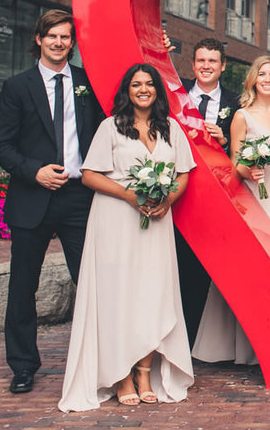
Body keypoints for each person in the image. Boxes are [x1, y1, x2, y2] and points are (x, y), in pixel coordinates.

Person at [57, 63, 195, 411]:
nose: (144, 89)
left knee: (152, 295)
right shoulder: (111, 128)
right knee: (118, 296)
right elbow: (89, 175)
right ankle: (121, 376)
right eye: (136, 84)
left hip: (156, 222)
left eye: (149, 84)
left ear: (157, 91)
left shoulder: (171, 129)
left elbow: (183, 174)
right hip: (117, 221)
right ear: (127, 90)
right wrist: (129, 195)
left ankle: (145, 372)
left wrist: (167, 201)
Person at [0, 9, 106, 395]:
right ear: (38, 39)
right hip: (32, 197)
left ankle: (99, 360)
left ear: (73, 43)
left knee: (91, 282)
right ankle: (23, 366)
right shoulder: (17, 87)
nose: (59, 43)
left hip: (79, 198)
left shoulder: (88, 84)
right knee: (23, 287)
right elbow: (1, 145)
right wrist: (33, 171)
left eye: (66, 37)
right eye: (52, 36)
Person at [191, 54, 270, 364]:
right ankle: (248, 348)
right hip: (254, 196)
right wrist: (251, 170)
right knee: (255, 268)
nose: (267, 79)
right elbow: (234, 163)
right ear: (253, 79)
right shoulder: (242, 116)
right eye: (262, 74)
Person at [175, 38, 240, 347]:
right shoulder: (177, 95)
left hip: (216, 196)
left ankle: (202, 340)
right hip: (179, 192)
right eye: (201, 60)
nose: (206, 66)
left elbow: (243, 147)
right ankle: (180, 337)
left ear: (222, 66)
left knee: (208, 268)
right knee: (178, 265)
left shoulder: (235, 102)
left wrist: (224, 140)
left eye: (212, 61)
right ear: (193, 64)